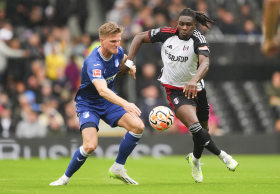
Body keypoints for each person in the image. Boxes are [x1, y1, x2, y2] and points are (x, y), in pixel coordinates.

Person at [125, 8, 238, 183]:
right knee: (194, 126)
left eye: (188, 25)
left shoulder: (198, 39)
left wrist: (194, 80)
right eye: (181, 24)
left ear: (194, 26)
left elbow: (205, 63)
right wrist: (130, 60)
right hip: (175, 90)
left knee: (202, 130)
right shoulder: (166, 33)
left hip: (197, 89)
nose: (184, 28)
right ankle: (223, 155)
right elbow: (139, 37)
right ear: (176, 24)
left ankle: (195, 160)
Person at [49, 22, 144, 186]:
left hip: (108, 102)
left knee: (138, 126)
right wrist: (125, 103)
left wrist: (131, 66)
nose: (117, 45)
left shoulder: (118, 50)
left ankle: (118, 168)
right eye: (113, 41)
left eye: (119, 40)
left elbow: (125, 58)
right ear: (102, 40)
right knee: (90, 146)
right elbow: (102, 90)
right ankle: (64, 178)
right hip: (89, 104)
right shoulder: (93, 62)